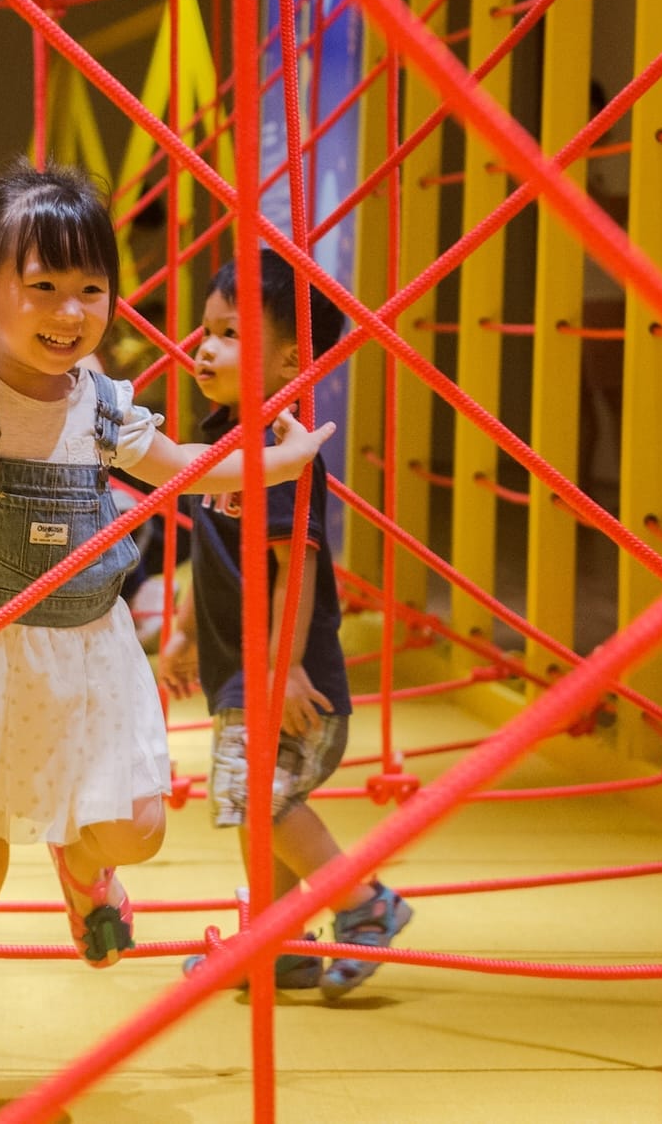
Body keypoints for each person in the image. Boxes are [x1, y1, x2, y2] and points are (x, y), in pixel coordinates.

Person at [0, 165, 336, 1121]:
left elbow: (184, 469)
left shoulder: (101, 402)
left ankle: (86, 867)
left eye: (89, 287)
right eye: (40, 286)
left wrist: (281, 456)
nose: (68, 309)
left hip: (86, 660)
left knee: (138, 826)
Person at [161, 250, 412, 1000]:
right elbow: (204, 549)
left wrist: (286, 664)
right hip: (244, 673)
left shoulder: (280, 451)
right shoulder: (223, 443)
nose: (204, 346)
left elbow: (295, 569)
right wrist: (178, 631)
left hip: (283, 677)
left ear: (288, 359)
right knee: (255, 810)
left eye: (231, 332)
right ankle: (278, 942)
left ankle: (363, 901)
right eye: (204, 330)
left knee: (256, 801)